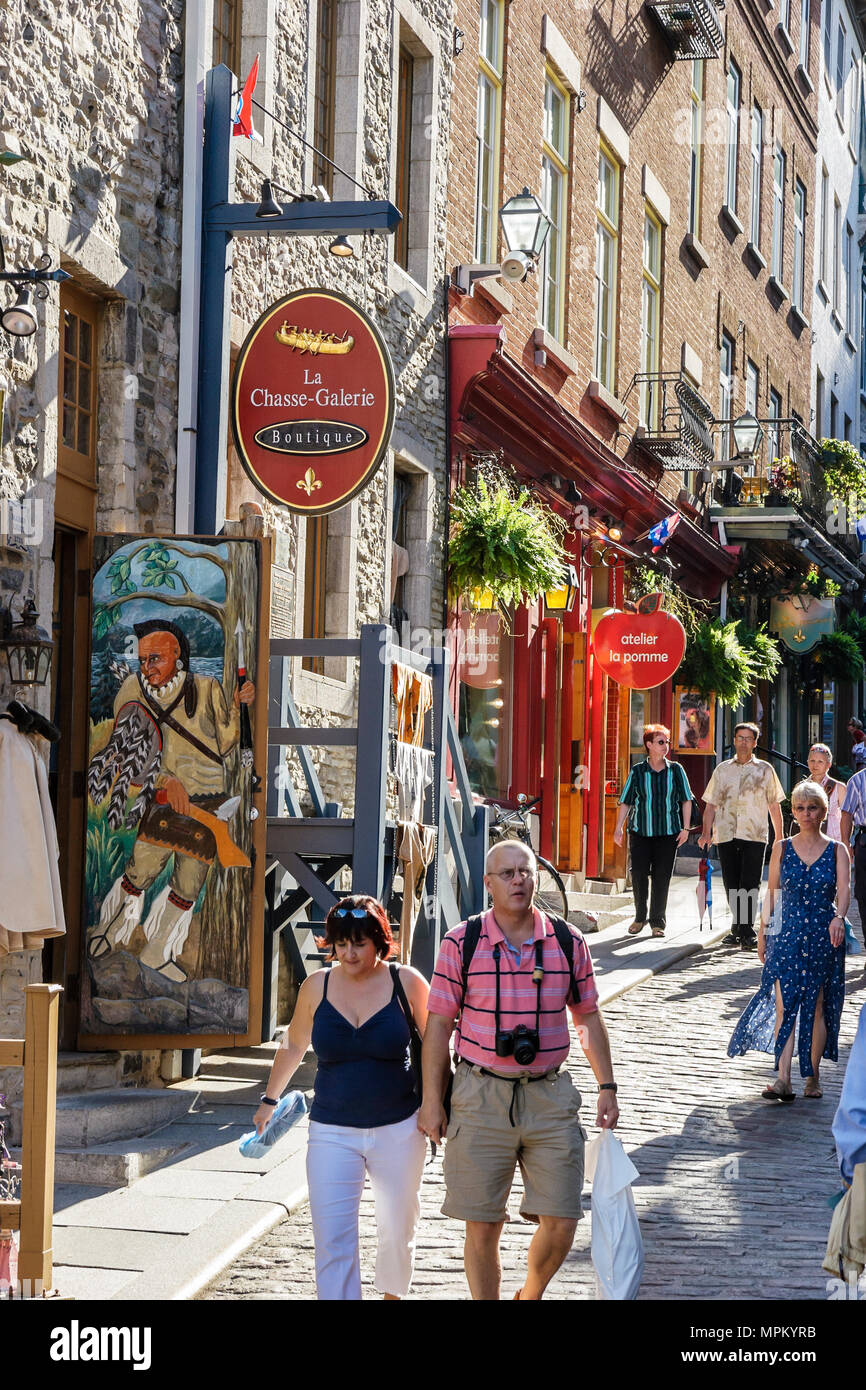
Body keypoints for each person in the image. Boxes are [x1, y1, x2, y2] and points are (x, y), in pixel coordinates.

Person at [418, 839, 619, 1301]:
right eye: (506, 874)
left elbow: (586, 1016)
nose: (518, 881)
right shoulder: (461, 942)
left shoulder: (568, 941)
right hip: (480, 1093)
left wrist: (606, 1084)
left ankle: (529, 1293)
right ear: (488, 884)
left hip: (549, 1094)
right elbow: (439, 1026)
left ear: (536, 877)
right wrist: (432, 1101)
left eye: (525, 872)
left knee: (564, 1217)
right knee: (483, 1225)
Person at [252, 895, 429, 1301]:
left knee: (397, 1228)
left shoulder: (408, 982)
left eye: (360, 943)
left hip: (399, 1127)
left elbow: (436, 1044)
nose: (349, 953)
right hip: (332, 1129)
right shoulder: (317, 985)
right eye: (342, 943)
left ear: (379, 942)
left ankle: (391, 1295)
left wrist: (435, 1105)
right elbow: (294, 1044)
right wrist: (269, 1098)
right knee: (332, 1236)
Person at [87, 619, 255, 980]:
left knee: (188, 884)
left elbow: (226, 742)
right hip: (161, 797)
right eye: (143, 659)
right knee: (141, 870)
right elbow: (127, 750)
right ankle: (109, 933)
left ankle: (157, 952)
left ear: (177, 655)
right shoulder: (132, 689)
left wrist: (240, 706)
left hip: (208, 802)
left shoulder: (208, 688)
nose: (148, 668)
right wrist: (164, 782)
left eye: (156, 659)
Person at [728, 781, 848, 1101]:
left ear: (824, 812)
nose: (806, 814)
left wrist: (839, 918)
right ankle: (783, 1079)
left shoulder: (838, 850)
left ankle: (812, 1075)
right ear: (792, 812)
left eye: (812, 808)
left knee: (819, 1006)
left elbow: (845, 893)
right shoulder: (781, 847)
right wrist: (764, 931)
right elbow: (773, 894)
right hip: (787, 934)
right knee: (784, 1007)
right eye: (799, 808)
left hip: (823, 935)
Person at [698, 722, 785, 951]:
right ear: (734, 740)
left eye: (748, 738)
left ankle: (746, 931)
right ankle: (739, 927)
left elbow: (774, 805)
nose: (744, 742)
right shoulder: (722, 769)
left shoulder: (765, 770)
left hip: (755, 834)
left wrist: (780, 837)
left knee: (749, 883)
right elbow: (710, 806)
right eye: (740, 737)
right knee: (731, 884)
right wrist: (706, 833)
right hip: (726, 833)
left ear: (755, 743)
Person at [613, 724, 693, 939]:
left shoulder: (676, 770)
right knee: (638, 874)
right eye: (660, 742)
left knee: (662, 877)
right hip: (640, 832)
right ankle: (640, 917)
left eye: (666, 742)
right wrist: (618, 827)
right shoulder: (638, 771)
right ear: (648, 745)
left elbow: (686, 799)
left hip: (668, 833)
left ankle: (658, 922)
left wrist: (686, 828)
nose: (665, 746)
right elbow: (627, 801)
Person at [807, 743, 846, 841]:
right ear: (807, 762)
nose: (815, 765)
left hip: (833, 841)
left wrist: (846, 842)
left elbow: (847, 818)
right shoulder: (802, 787)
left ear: (828, 764)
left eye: (820, 761)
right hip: (807, 842)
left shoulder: (839, 787)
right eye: (812, 760)